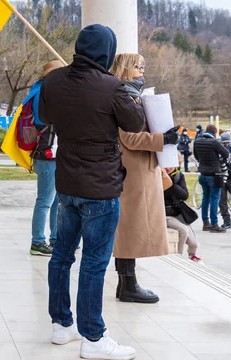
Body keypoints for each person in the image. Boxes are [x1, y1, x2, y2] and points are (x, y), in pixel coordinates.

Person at [39, 24, 144, 360]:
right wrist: (130, 93)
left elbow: (43, 115)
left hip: (67, 184)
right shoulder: (113, 87)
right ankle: (94, 338)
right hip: (100, 189)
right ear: (107, 52)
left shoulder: (53, 80)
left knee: (61, 256)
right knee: (94, 263)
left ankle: (61, 325)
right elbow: (135, 124)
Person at [110, 53, 179, 304]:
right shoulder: (123, 97)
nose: (142, 71)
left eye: (144, 67)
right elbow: (129, 138)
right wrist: (163, 140)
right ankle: (128, 285)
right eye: (138, 67)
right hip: (133, 171)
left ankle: (126, 283)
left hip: (141, 169)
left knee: (131, 227)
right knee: (130, 228)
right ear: (126, 69)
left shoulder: (133, 96)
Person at [28, 60, 64, 256]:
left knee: (57, 200)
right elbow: (42, 119)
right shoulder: (41, 92)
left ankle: (55, 239)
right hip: (46, 154)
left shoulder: (42, 90)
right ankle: (38, 241)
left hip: (54, 154)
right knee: (45, 200)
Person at [193, 124, 229, 233]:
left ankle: (205, 223)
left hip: (203, 174)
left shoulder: (197, 141)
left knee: (205, 198)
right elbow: (226, 154)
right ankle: (214, 224)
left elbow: (196, 156)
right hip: (214, 175)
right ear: (214, 133)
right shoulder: (214, 142)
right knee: (214, 198)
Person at [164, 166, 202, 262]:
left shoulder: (178, 176)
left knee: (194, 244)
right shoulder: (158, 176)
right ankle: (178, 258)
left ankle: (192, 256)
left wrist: (173, 184)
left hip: (178, 213)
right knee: (183, 230)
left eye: (170, 165)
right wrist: (165, 181)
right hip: (164, 214)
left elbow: (184, 196)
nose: (168, 168)